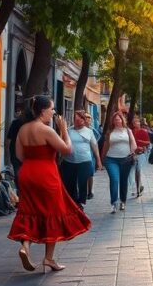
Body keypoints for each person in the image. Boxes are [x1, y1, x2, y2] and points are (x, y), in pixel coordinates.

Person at [7, 95, 91, 272]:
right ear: (43, 110)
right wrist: (65, 131)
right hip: (46, 174)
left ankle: (25, 247)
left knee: (29, 211)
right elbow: (67, 150)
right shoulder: (46, 130)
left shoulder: (22, 129)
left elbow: (19, 156)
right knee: (52, 213)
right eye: (52, 109)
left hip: (27, 173)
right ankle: (49, 258)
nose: (53, 113)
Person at [60, 109, 101, 209]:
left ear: (84, 120)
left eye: (80, 119)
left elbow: (94, 147)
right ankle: (73, 202)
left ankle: (81, 202)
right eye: (76, 119)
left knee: (82, 182)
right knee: (70, 183)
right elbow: (62, 143)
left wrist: (98, 161)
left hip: (85, 161)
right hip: (69, 161)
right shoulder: (68, 131)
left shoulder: (89, 132)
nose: (78, 121)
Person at [102, 112, 136, 213]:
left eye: (119, 119)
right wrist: (101, 159)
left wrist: (133, 152)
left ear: (122, 120)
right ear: (112, 121)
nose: (117, 121)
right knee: (114, 179)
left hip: (126, 159)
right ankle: (113, 203)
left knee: (123, 181)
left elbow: (133, 142)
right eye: (115, 119)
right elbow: (105, 146)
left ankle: (123, 201)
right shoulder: (110, 132)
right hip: (111, 159)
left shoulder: (128, 131)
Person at [129, 115, 150, 197]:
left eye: (136, 122)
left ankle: (138, 189)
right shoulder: (130, 132)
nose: (135, 123)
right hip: (131, 153)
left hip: (140, 153)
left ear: (139, 123)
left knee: (138, 170)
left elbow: (148, 142)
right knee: (130, 172)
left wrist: (140, 141)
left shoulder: (143, 131)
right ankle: (137, 186)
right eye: (133, 122)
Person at [6, 105, 25, 183]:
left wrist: (7, 147)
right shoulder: (30, 124)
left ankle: (18, 185)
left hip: (14, 148)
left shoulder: (15, 122)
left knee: (16, 168)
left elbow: (9, 138)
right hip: (25, 148)